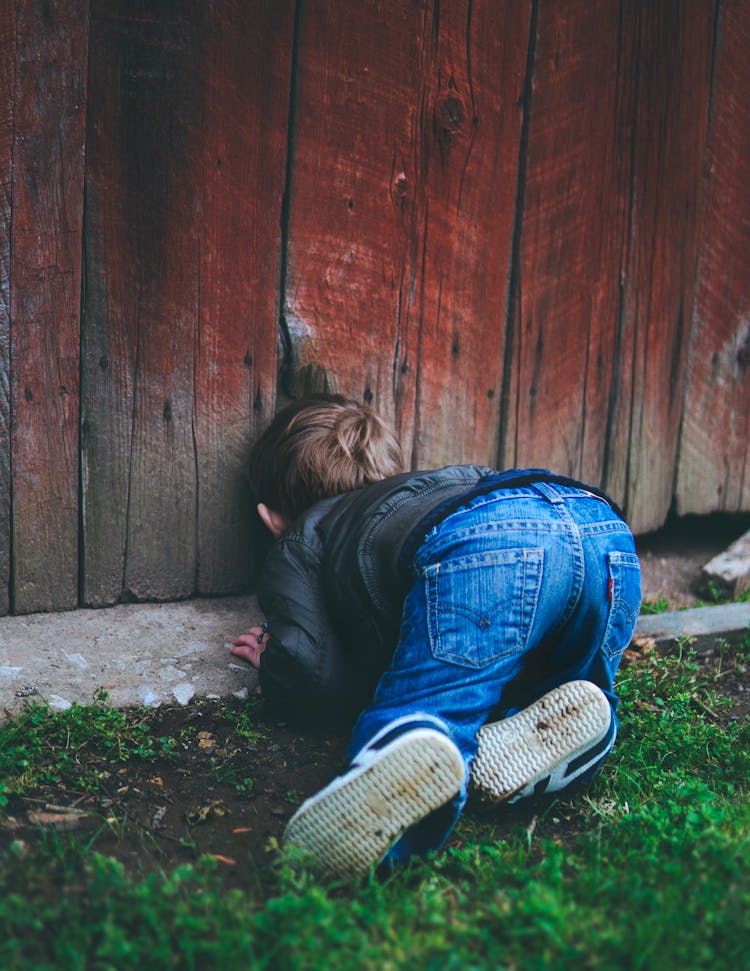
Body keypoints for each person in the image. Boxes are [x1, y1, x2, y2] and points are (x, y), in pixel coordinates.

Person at [231, 394, 641, 875]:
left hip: (488, 544)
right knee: (519, 659)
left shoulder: (304, 535)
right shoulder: (433, 487)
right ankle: (571, 712)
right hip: (600, 527)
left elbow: (311, 671)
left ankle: (422, 736)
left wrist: (275, 664)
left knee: (433, 702)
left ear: (270, 519)